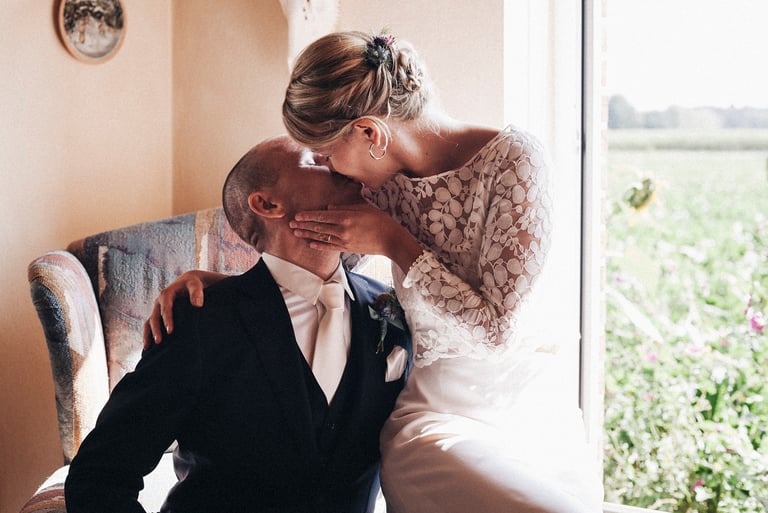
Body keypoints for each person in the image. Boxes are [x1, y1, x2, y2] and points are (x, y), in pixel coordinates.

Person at [147, 31, 604, 513]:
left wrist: (394, 242)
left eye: (325, 153)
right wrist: (224, 288)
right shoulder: (373, 186)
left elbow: (496, 332)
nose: (330, 170)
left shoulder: (515, 163)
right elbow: (313, 274)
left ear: (369, 132)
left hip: (527, 406)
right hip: (432, 412)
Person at [65, 135, 411, 513]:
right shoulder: (200, 320)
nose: (340, 163)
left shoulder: (395, 309)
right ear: (267, 204)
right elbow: (99, 476)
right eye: (317, 159)